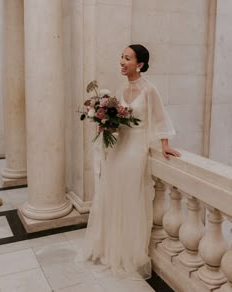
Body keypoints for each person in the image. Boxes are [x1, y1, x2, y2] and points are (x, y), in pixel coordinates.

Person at [83, 44, 181, 279]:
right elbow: (118, 121)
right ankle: (112, 248)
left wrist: (165, 144)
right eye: (121, 57)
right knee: (113, 195)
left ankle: (129, 252)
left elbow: (161, 119)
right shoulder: (121, 88)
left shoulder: (149, 90)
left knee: (131, 198)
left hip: (136, 152)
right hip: (118, 150)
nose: (121, 61)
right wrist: (105, 122)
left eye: (127, 58)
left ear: (140, 64)